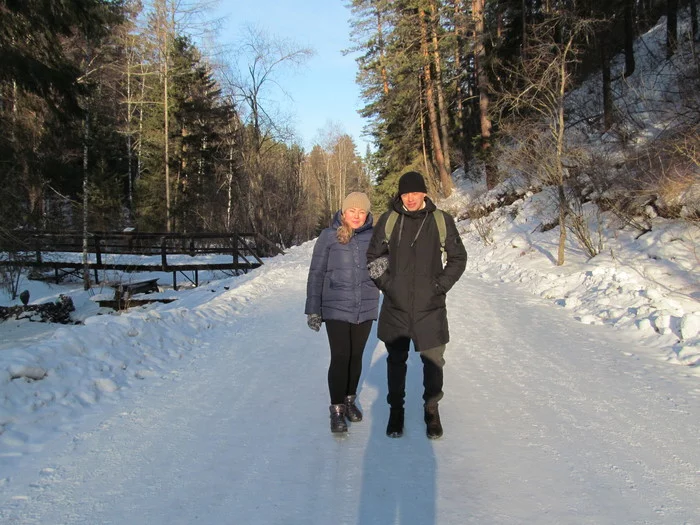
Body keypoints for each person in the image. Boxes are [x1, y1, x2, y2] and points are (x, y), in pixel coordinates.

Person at [366, 171, 467, 439]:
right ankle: (396, 411)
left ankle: (431, 410)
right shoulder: (389, 220)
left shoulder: (440, 220)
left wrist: (439, 286)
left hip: (430, 308)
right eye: (405, 193)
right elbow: (374, 258)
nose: (410, 198)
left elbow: (458, 258)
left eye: (414, 192)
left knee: (433, 363)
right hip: (396, 307)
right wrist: (389, 285)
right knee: (396, 361)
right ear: (400, 195)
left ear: (424, 193)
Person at [305, 192, 379, 434]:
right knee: (340, 357)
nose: (357, 216)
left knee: (356, 356)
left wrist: (384, 263)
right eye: (352, 211)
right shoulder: (329, 236)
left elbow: (386, 262)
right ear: (343, 212)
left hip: (365, 305)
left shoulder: (374, 236)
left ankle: (349, 400)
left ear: (367, 214)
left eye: (362, 212)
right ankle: (336, 409)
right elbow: (316, 273)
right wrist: (313, 309)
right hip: (335, 305)